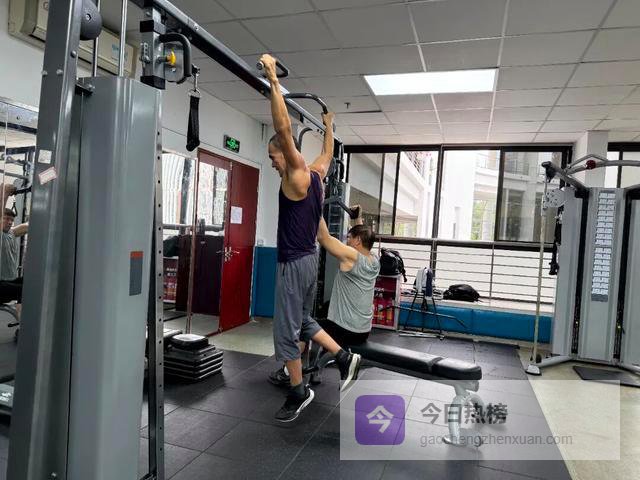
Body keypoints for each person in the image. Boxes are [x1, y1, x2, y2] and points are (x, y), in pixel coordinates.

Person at [260, 53, 361, 422]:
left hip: (292, 263)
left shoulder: (297, 175)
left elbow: (284, 128)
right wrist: (328, 124)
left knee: (285, 332)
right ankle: (344, 357)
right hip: (310, 260)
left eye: (273, 156)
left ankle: (298, 391)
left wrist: (273, 79)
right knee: (303, 320)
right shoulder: (317, 174)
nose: (272, 161)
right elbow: (328, 153)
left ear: (287, 156)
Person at [270, 207, 380, 386]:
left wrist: (314, 206)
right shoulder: (374, 260)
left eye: (349, 238)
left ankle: (288, 372)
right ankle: (315, 372)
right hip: (363, 331)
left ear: (358, 241)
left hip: (345, 328)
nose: (347, 240)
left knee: (305, 327)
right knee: (321, 321)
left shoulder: (351, 256)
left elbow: (324, 238)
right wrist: (357, 218)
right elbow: (363, 237)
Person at [0, 184, 28, 313]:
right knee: (25, 290)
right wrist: (5, 193)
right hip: (0, 285)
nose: (10, 222)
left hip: (8, 282)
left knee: (31, 281)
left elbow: (28, 225)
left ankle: (22, 315)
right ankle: (23, 322)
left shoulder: (11, 233)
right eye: (6, 219)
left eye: (11, 220)